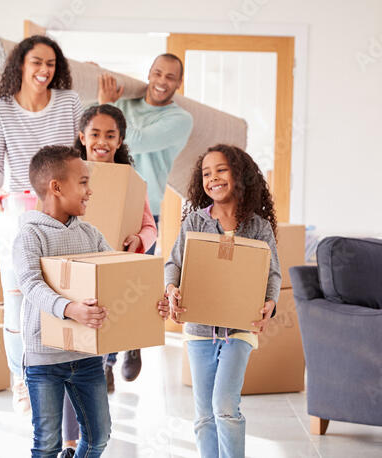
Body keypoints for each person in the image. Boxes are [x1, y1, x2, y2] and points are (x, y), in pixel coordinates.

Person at [13, 145, 171, 457]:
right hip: (44, 357)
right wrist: (70, 309)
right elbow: (30, 283)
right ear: (56, 187)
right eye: (83, 182)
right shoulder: (30, 235)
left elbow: (116, 277)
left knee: (99, 436)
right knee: (47, 443)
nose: (90, 191)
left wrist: (153, 304)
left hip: (85, 355)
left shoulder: (90, 234)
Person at [0, 34, 82, 418]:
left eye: (51, 64)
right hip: (18, 213)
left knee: (60, 296)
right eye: (37, 63)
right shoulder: (1, 110)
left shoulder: (69, 102)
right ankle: (20, 380)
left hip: (62, 213)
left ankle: (62, 380)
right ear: (20, 66)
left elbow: (82, 152)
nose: (44, 71)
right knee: (18, 304)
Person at [164, 144, 281, 458]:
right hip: (200, 331)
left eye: (221, 170)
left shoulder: (258, 227)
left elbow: (272, 274)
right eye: (206, 173)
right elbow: (174, 263)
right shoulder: (194, 223)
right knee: (204, 415)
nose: (212, 178)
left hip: (239, 331)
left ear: (239, 175)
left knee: (224, 407)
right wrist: (171, 287)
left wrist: (270, 302)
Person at [96, 53, 194, 381]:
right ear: (149, 74)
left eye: (170, 77)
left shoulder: (181, 119)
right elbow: (97, 131)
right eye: (157, 73)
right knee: (105, 287)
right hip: (109, 202)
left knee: (133, 288)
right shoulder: (127, 104)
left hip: (145, 210)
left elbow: (134, 139)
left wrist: (108, 105)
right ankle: (106, 364)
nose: (162, 81)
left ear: (178, 83)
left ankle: (132, 343)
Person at [74, 104, 159, 393]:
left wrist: (139, 240)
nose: (102, 141)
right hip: (81, 265)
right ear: (82, 137)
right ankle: (104, 366)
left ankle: (117, 356)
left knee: (111, 316)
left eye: (110, 135)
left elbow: (150, 227)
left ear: (119, 141)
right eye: (95, 134)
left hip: (117, 264)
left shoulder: (130, 181)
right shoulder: (69, 175)